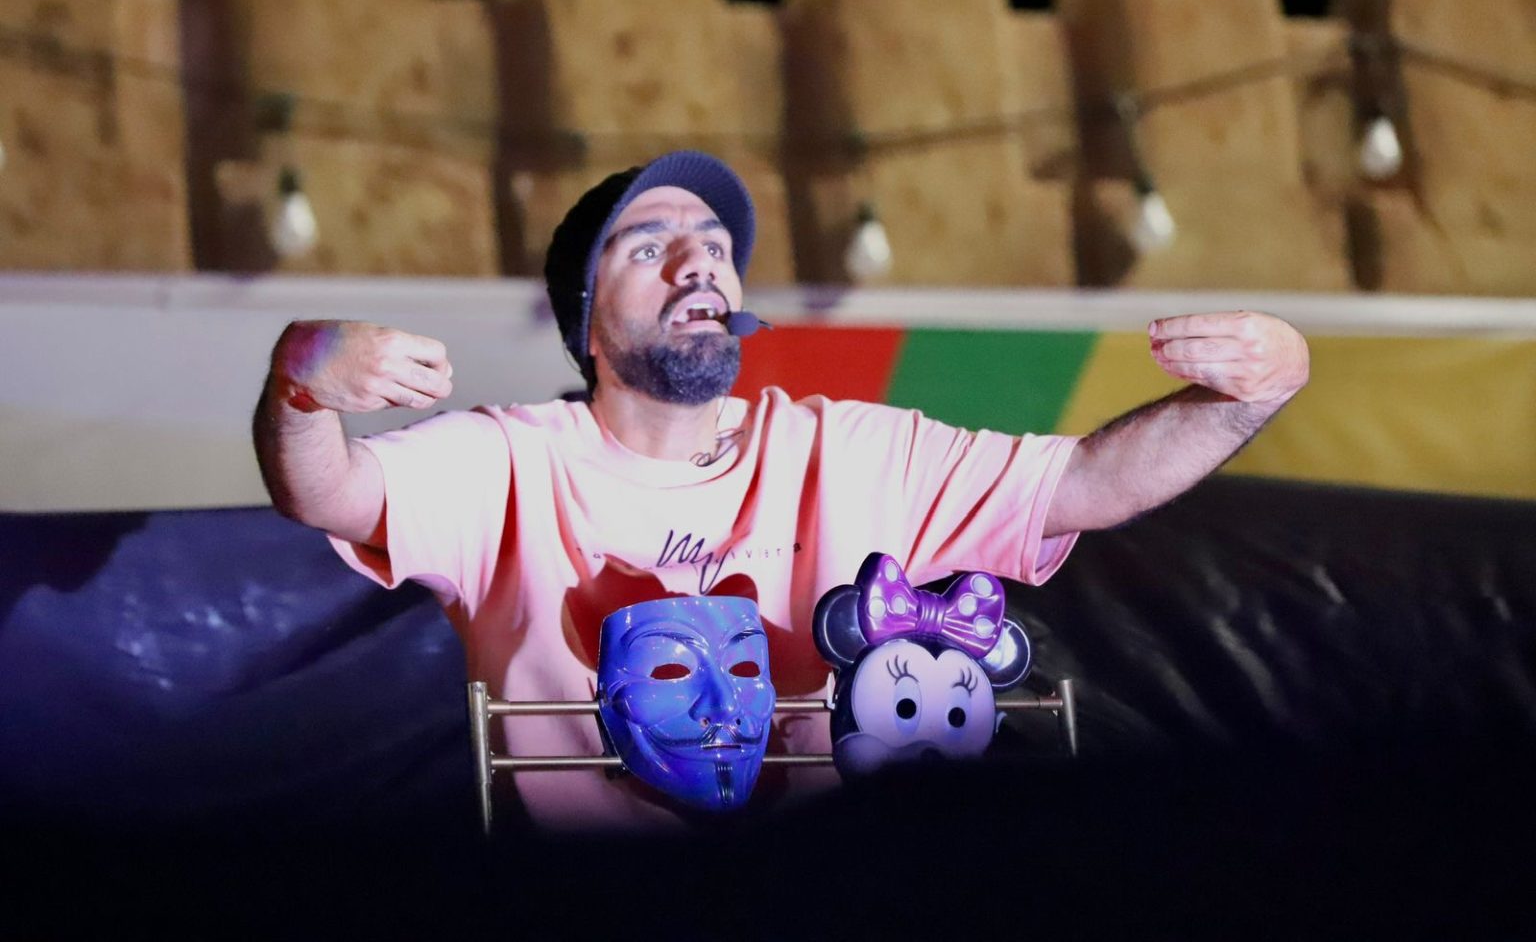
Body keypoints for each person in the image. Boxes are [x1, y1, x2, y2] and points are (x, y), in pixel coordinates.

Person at [252, 151, 1309, 828]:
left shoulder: (848, 447)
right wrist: (300, 379)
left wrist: (1263, 387)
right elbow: (328, 492)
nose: (699, 265)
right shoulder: (511, 460)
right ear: (586, 320)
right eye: (651, 247)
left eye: (714, 246)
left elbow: (1088, 481)